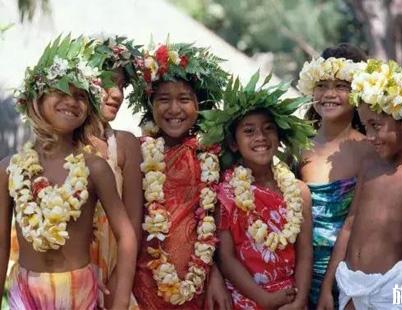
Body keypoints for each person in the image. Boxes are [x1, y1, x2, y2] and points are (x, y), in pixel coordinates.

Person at [0, 35, 137, 309]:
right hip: (26, 295)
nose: (71, 101)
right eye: (61, 92)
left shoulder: (93, 167)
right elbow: (1, 245)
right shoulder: (9, 168)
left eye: (81, 96)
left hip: (79, 294)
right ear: (35, 100)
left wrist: (121, 298)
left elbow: (127, 235)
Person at [317, 59, 402, 310]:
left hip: (394, 288)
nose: (369, 136)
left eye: (376, 126)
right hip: (349, 283)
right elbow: (349, 225)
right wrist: (328, 287)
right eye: (366, 126)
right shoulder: (370, 163)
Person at [129, 42, 232, 309]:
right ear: (149, 104)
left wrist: (215, 276)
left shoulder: (210, 154)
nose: (174, 109)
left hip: (196, 283)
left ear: (200, 104)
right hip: (142, 282)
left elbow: (217, 223)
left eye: (184, 99)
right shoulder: (136, 152)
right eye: (163, 99)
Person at [200, 72, 315, 309]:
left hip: (289, 299)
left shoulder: (299, 191)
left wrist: (301, 299)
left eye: (268, 128)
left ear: (279, 136)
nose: (260, 137)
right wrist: (264, 299)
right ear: (234, 143)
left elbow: (304, 253)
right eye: (249, 131)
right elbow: (227, 258)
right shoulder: (225, 192)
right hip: (245, 300)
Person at [297, 44, 374, 307]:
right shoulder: (297, 146)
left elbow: (361, 227)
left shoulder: (369, 151)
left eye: (341, 85)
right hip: (295, 273)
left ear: (358, 92)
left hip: (346, 277)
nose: (329, 94)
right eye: (322, 85)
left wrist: (332, 288)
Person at [88, 35, 144, 308]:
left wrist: (119, 290)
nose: (118, 94)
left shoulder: (124, 144)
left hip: (115, 274)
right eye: (108, 82)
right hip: (67, 276)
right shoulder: (58, 145)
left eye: (122, 84)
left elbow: (133, 223)